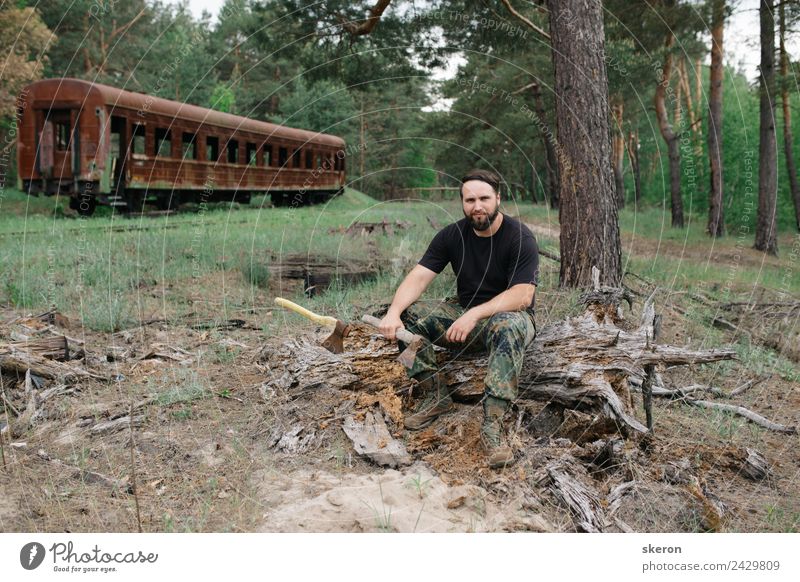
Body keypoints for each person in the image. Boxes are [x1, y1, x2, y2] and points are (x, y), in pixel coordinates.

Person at [379, 169, 539, 469]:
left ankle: (493, 425)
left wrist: (475, 314)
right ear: (462, 203)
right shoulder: (451, 235)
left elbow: (522, 296)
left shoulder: (520, 237)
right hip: (464, 315)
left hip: (507, 319)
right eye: (470, 200)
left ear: (498, 199)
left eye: (484, 199)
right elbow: (418, 278)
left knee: (509, 324)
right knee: (410, 317)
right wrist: (393, 313)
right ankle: (434, 393)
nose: (477, 206)